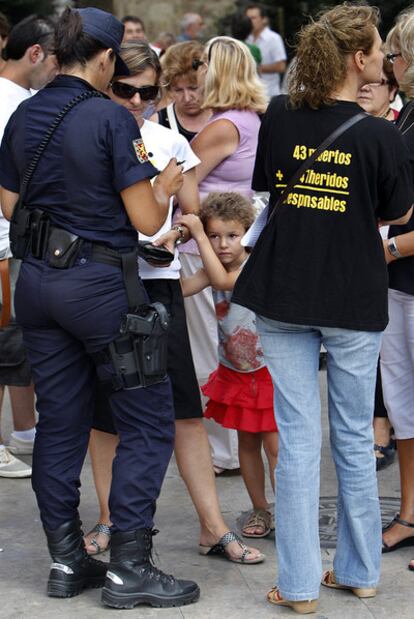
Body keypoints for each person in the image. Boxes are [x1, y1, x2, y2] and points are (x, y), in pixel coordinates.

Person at [0, 7, 200, 609]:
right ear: (108, 58)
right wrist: (164, 186)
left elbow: (9, 206)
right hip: (99, 288)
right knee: (146, 420)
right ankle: (130, 569)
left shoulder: (26, 113)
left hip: (35, 285)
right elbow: (145, 219)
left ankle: (67, 563)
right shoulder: (113, 121)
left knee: (59, 424)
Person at [232, 3, 413, 613]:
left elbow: (271, 186)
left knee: (301, 438)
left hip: (284, 290)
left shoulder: (281, 114)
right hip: (354, 296)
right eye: (379, 51)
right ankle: (360, 572)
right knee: (355, 438)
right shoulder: (380, 133)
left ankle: (301, 585)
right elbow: (397, 215)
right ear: (361, 59)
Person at [85, 41, 264, 567]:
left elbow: (189, 212)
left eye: (147, 91)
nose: (137, 101)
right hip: (104, 285)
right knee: (106, 414)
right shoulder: (89, 132)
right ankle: (108, 520)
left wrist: (183, 230)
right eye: (125, 89)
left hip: (158, 283)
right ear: (105, 82)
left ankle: (213, 527)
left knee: (184, 409)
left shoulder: (167, 140)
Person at [189, 36, 268, 474]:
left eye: (203, 62)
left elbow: (183, 182)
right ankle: (231, 445)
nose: (198, 71)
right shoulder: (250, 118)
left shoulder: (223, 125)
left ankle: (220, 451)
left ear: (216, 70)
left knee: (210, 351)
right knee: (231, 347)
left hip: (207, 244)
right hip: (234, 241)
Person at [179, 193, 278, 538]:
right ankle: (260, 509)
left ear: (248, 234)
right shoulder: (214, 269)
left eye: (232, 236)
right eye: (215, 236)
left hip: (268, 372)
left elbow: (221, 282)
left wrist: (199, 235)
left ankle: (289, 509)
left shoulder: (254, 264)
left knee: (276, 446)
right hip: (235, 374)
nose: (222, 244)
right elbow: (180, 289)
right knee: (247, 445)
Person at [0, 14, 58, 478]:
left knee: (15, 342)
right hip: (3, 244)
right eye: (55, 57)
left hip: (13, 243)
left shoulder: (22, 101)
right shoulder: (12, 105)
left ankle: (23, 431)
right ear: (35, 54)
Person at [380, 8, 414, 571]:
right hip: (394, 285)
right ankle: (411, 514)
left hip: (400, 268)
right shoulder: (405, 114)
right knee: (404, 407)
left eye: (395, 53)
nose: (390, 62)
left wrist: (386, 248)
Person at [357, 59, 399, 471]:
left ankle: (384, 424)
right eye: (365, 82)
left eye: (378, 83)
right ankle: (377, 423)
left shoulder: (401, 126)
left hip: (394, 253)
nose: (368, 88)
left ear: (392, 89)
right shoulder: (345, 126)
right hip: (354, 251)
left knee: (388, 346)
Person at [245, 4, 287, 97]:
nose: (250, 21)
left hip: (269, 94)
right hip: (251, 95)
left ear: (264, 19)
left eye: (253, 18)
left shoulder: (274, 38)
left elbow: (281, 66)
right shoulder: (246, 38)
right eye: (248, 18)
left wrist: (257, 68)